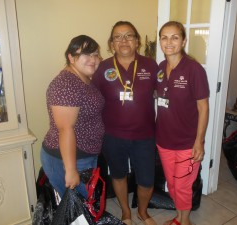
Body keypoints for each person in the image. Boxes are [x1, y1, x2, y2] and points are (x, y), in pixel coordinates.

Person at [92, 21, 159, 225]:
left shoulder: (150, 65)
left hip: (145, 135)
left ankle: (142, 211)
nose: (123, 40)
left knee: (147, 180)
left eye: (129, 35)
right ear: (111, 43)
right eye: (118, 37)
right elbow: (90, 95)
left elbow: (164, 91)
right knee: (119, 175)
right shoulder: (102, 68)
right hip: (113, 135)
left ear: (137, 41)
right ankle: (125, 212)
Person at [156, 21, 210, 225]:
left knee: (183, 186)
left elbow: (203, 107)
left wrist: (199, 141)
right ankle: (179, 218)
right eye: (164, 37)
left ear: (183, 40)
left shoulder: (194, 69)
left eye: (174, 37)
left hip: (187, 143)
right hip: (164, 140)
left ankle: (185, 221)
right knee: (172, 184)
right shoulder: (161, 68)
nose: (169, 42)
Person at [40, 35, 104, 198]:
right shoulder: (65, 85)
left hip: (84, 154)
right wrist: (71, 170)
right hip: (70, 159)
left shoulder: (82, 78)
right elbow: (65, 128)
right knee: (77, 210)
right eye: (87, 54)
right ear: (71, 57)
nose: (93, 59)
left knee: (84, 205)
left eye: (95, 54)